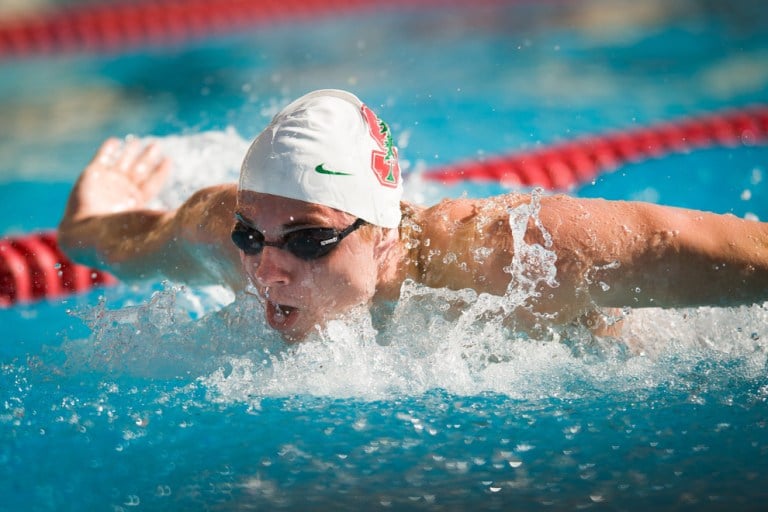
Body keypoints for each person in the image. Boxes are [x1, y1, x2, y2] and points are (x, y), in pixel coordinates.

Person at [58, 89, 768, 342]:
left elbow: (709, 247)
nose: (265, 268)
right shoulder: (220, 232)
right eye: (254, 235)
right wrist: (93, 215)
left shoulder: (523, 254)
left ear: (384, 227)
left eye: (307, 240)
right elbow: (100, 242)